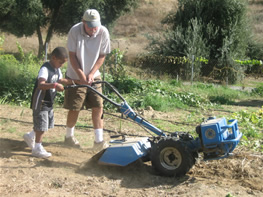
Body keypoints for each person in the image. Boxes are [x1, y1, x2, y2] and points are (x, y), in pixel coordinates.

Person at [63, 9, 111, 149]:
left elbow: (102, 56)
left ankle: (98, 141)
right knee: (75, 107)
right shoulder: (75, 31)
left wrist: (91, 74)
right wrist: (81, 76)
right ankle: (69, 137)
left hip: (94, 75)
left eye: (95, 25)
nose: (93, 29)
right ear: (83, 22)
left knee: (98, 106)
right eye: (90, 26)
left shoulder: (103, 32)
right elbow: (72, 56)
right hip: (75, 75)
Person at [23, 47, 71, 158]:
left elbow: (60, 80)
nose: (61, 65)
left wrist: (75, 81)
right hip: (40, 102)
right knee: (42, 126)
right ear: (53, 58)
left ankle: (30, 136)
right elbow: (41, 84)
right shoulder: (45, 68)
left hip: (49, 102)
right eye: (60, 62)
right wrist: (54, 85)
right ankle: (37, 148)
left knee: (45, 124)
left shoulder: (56, 69)